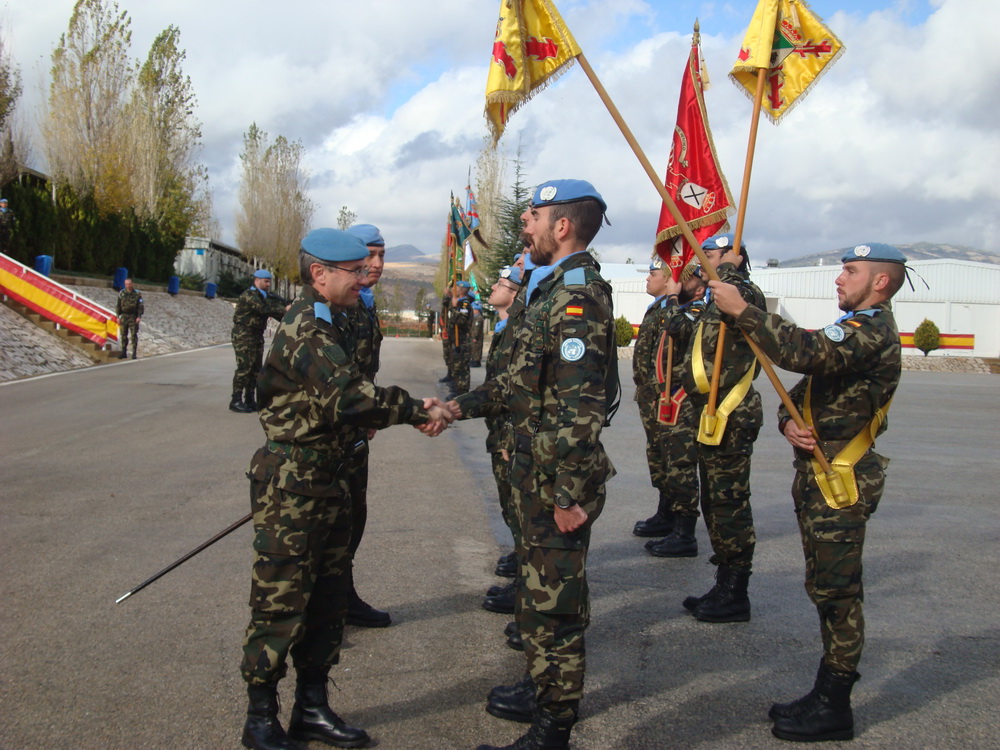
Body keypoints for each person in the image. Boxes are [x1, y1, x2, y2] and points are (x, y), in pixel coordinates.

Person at [239, 227, 454, 750]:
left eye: (365, 268)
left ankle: (312, 706)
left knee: (328, 600)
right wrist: (417, 409)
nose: (365, 277)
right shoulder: (307, 327)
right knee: (281, 601)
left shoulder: (337, 319)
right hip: (293, 488)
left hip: (330, 479)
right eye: (355, 271)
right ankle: (261, 718)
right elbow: (349, 399)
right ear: (320, 274)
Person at [710, 242, 906, 743]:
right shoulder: (853, 327)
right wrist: (787, 426)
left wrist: (744, 311)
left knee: (838, 593)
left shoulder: (874, 329)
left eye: (851, 271)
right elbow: (796, 393)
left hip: (841, 480)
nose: (839, 278)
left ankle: (836, 705)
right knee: (824, 586)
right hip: (818, 477)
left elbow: (808, 352)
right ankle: (825, 693)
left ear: (880, 281)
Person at [451, 179, 618, 750]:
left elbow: (580, 409)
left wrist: (569, 495)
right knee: (536, 592)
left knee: (555, 608)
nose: (526, 223)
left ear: (562, 225)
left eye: (535, 214)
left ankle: (552, 731)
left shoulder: (579, 297)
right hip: (532, 471)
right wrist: (454, 407)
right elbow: (511, 387)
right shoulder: (544, 292)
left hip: (553, 482)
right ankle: (538, 686)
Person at [665, 233, 764, 623]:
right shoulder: (712, 297)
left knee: (730, 504)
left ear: (733, 256)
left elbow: (742, 307)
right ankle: (724, 581)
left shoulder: (743, 292)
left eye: (710, 253)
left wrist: (728, 270)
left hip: (732, 412)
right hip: (708, 412)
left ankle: (736, 591)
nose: (701, 259)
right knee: (715, 503)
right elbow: (682, 331)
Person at [636, 260, 708, 559]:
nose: (649, 278)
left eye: (655, 273)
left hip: (679, 399)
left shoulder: (694, 310)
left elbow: (677, 330)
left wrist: (675, 296)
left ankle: (684, 530)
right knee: (660, 457)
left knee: (679, 462)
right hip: (656, 395)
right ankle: (666, 512)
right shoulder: (662, 307)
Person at [343, 223, 390, 628]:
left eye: (381, 255)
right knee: (331, 523)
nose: (376, 264)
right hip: (333, 433)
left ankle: (341, 596)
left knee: (352, 518)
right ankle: (319, 612)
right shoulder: (339, 303)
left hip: (355, 426)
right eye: (368, 255)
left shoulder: (364, 300)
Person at [479, 265, 525, 617]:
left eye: (501, 284)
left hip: (510, 433)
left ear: (515, 293)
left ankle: (526, 582)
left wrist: (508, 438)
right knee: (509, 503)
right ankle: (521, 558)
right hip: (500, 431)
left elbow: (513, 390)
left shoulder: (516, 331)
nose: (494, 287)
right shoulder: (504, 328)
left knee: (519, 506)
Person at [230, 270, 289, 413]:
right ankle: (236, 400)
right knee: (245, 367)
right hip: (244, 334)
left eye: (269, 281)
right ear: (257, 280)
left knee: (256, 368)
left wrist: (288, 312)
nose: (268, 284)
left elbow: (275, 311)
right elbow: (263, 309)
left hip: (256, 334)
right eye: (266, 281)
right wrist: (284, 309)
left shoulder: (265, 296)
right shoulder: (250, 296)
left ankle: (250, 399)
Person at [447, 279, 474, 397]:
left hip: (462, 341)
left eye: (456, 288)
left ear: (461, 290)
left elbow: (460, 321)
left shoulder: (464, 304)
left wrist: (454, 308)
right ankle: (457, 388)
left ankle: (461, 392)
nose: (453, 290)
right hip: (456, 340)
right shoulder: (459, 302)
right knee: (456, 366)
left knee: (462, 368)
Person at [115, 277, 144, 360]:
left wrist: (139, 316)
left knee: (133, 335)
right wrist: (118, 316)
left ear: (132, 284)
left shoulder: (137, 294)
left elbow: (140, 306)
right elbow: (118, 305)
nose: (128, 286)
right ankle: (123, 351)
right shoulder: (122, 293)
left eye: (129, 284)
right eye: (127, 284)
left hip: (133, 316)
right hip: (124, 316)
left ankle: (134, 352)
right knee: (123, 335)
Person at [470, 299, 485, 367]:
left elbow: (477, 329)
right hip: (474, 336)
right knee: (473, 348)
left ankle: (476, 361)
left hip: (477, 337)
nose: (473, 311)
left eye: (474, 309)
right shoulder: (475, 317)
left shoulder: (478, 318)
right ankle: (473, 360)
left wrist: (474, 337)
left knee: (476, 349)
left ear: (477, 310)